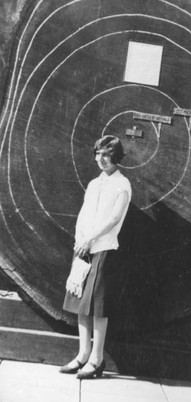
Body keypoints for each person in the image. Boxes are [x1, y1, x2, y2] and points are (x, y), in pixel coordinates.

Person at [60, 135, 132, 379]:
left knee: (98, 307)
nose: (101, 158)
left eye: (107, 154)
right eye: (98, 153)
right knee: (81, 303)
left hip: (104, 248)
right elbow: (84, 212)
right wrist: (80, 239)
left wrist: (90, 239)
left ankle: (97, 359)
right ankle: (82, 355)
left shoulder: (122, 185)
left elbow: (113, 219)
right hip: (84, 249)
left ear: (116, 156)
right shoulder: (93, 184)